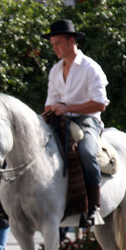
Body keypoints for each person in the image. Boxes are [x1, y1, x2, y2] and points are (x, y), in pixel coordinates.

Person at [42, 19, 110, 227]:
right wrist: (53, 110)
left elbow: (100, 104)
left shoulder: (91, 68)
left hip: (88, 121)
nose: (54, 48)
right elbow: (49, 104)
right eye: (52, 44)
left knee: (87, 153)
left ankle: (94, 207)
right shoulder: (55, 70)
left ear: (72, 41)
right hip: (61, 120)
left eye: (58, 43)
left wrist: (68, 107)